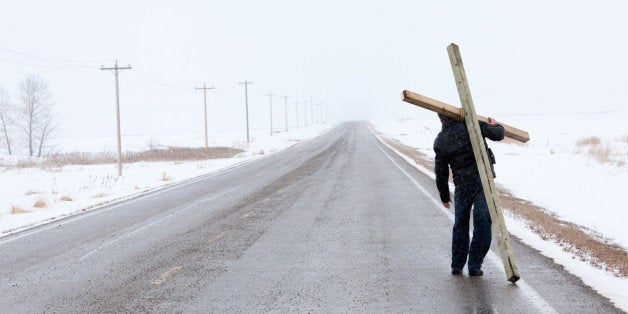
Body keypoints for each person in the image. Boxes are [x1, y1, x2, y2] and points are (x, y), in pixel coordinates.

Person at [433, 113, 504, 276]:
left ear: (441, 119)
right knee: (482, 223)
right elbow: (498, 135)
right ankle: (474, 265)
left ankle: (457, 265)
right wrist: (497, 125)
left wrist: (444, 195)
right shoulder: (473, 124)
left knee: (460, 225)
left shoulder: (441, 139)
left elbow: (441, 171)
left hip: (461, 185)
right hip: (482, 183)